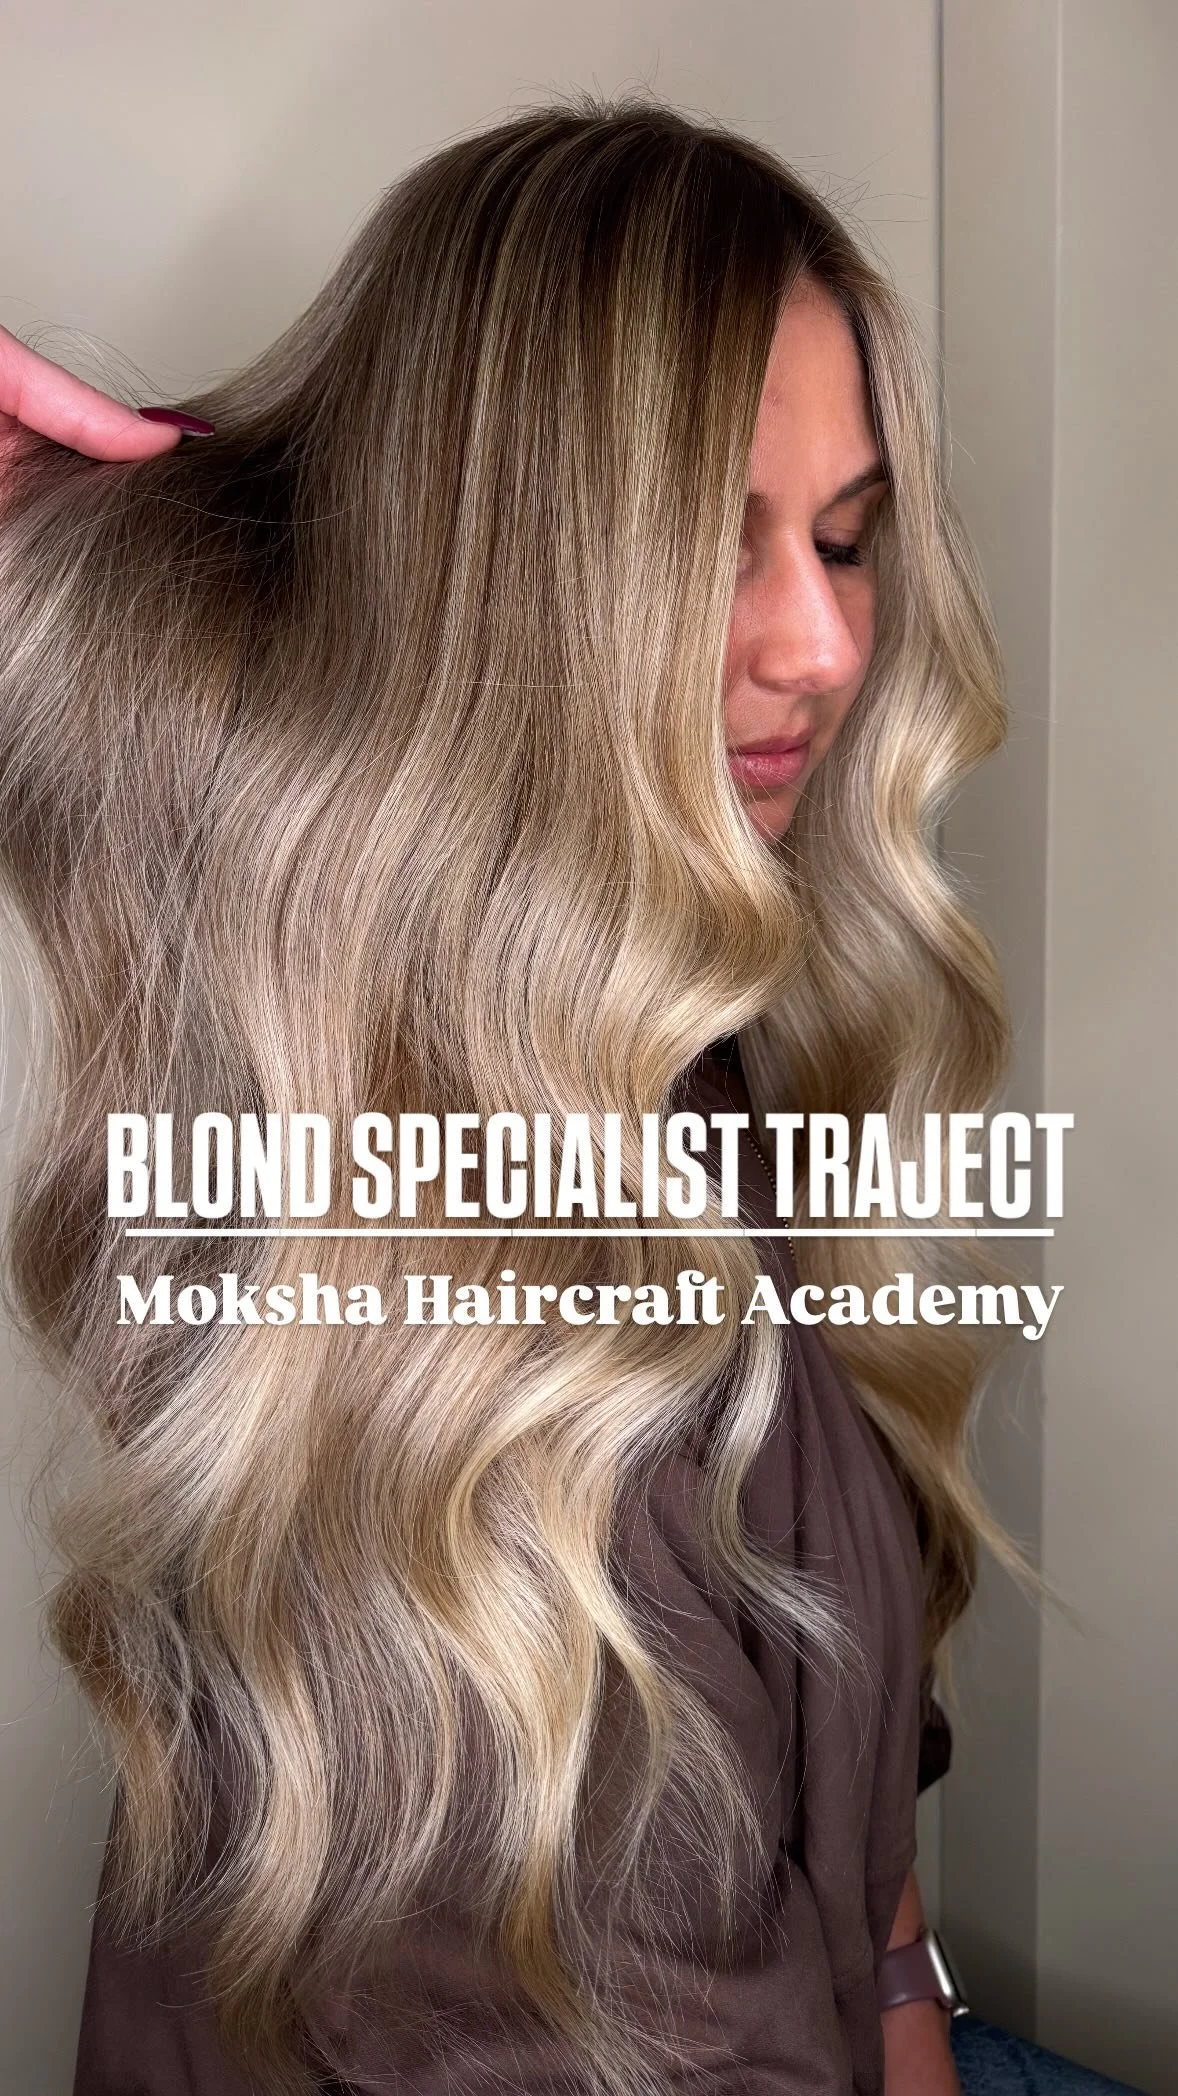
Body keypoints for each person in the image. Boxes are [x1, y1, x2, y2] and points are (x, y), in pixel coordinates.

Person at [0, 99, 1142, 2096]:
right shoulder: (469, 1389)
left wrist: (903, 1992)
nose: (825, 645)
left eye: (846, 537)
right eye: (708, 548)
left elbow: (853, 1794)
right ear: (490, 597)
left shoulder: (676, 1032)